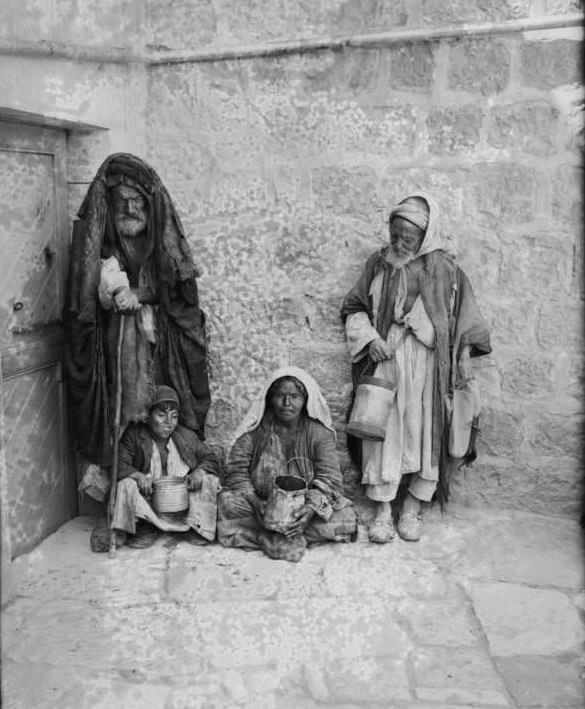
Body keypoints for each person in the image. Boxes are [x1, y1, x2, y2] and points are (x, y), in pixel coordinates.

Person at [341, 193, 491, 543]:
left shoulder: (447, 270)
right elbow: (354, 307)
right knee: (383, 430)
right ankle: (381, 512)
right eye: (395, 235)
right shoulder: (378, 263)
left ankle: (412, 507)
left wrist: (461, 361)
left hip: (429, 363)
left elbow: (466, 322)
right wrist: (369, 339)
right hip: (386, 356)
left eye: (407, 237)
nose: (399, 243)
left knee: (425, 430)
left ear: (425, 235)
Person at [64, 153, 210, 470]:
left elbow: (176, 290)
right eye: (122, 202)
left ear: (148, 203)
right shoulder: (106, 245)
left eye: (137, 202)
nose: (130, 210)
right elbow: (103, 276)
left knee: (169, 406)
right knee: (129, 412)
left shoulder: (163, 245)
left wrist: (139, 294)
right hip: (123, 347)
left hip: (166, 344)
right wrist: (118, 292)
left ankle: (175, 477)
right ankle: (129, 481)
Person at [217, 367, 357, 562]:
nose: (286, 403)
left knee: (346, 515)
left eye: (294, 396)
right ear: (270, 399)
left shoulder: (318, 433)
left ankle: (272, 535)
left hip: (303, 507)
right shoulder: (257, 431)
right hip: (262, 505)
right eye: (280, 396)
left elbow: (330, 478)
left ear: (305, 400)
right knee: (226, 503)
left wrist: (310, 510)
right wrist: (255, 503)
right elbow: (236, 472)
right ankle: (285, 534)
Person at [107, 385, 220, 549]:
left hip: (180, 504)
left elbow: (211, 458)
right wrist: (138, 476)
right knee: (126, 484)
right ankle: (144, 528)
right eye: (161, 415)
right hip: (149, 502)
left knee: (209, 479)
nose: (169, 422)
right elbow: (117, 465)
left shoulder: (186, 436)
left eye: (174, 416)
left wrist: (199, 472)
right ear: (147, 416)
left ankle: (194, 528)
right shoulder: (134, 436)